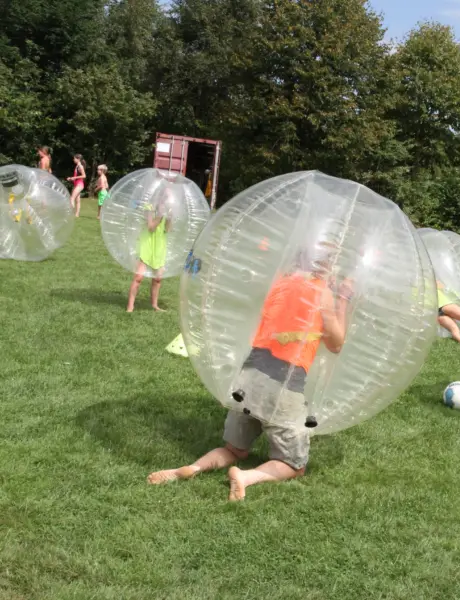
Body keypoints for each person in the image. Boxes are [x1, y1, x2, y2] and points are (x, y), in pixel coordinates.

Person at [147, 247, 353, 501]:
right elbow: (337, 343)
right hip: (282, 381)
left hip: (248, 375)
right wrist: (343, 298)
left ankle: (194, 467)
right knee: (294, 465)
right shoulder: (321, 293)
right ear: (323, 266)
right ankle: (246, 477)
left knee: (234, 449)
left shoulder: (282, 283)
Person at [126, 190, 173, 312]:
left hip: (159, 245)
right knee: (138, 277)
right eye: (163, 196)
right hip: (146, 243)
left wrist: (170, 218)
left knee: (157, 279)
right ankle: (130, 306)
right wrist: (161, 215)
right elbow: (151, 227)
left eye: (167, 197)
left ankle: (154, 305)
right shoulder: (149, 207)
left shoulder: (167, 210)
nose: (165, 199)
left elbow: (166, 230)